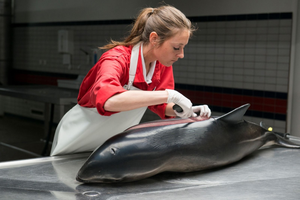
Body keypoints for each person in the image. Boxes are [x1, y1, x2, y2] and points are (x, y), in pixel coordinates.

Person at [50, 5, 211, 156]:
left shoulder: (161, 64)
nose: (181, 54)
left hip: (109, 144)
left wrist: (182, 109)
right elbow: (109, 101)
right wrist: (171, 95)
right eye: (177, 47)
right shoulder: (116, 59)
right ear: (154, 38)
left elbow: (160, 104)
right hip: (76, 140)